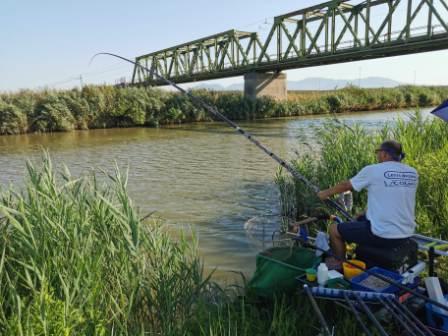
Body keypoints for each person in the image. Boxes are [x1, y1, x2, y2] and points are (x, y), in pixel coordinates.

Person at [317, 140, 418, 266]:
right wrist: (364, 213)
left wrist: (324, 193)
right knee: (359, 218)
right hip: (406, 233)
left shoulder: (373, 170)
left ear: (385, 154)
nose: (377, 155)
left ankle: (341, 263)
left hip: (382, 235)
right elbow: (392, 198)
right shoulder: (412, 173)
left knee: (334, 230)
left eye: (378, 152)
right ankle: (361, 253)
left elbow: (346, 185)